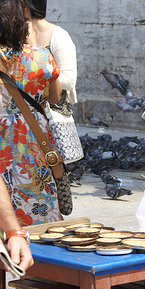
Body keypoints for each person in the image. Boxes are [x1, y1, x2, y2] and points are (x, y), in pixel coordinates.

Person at [0, 0, 62, 227]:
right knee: (36, 195)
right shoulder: (41, 57)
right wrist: (35, 46)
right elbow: (54, 97)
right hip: (33, 141)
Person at [23, 0, 84, 164]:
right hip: (24, 119)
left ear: (26, 9)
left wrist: (39, 69)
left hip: (52, 119)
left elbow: (70, 81)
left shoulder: (59, 36)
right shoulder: (17, 34)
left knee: (53, 174)